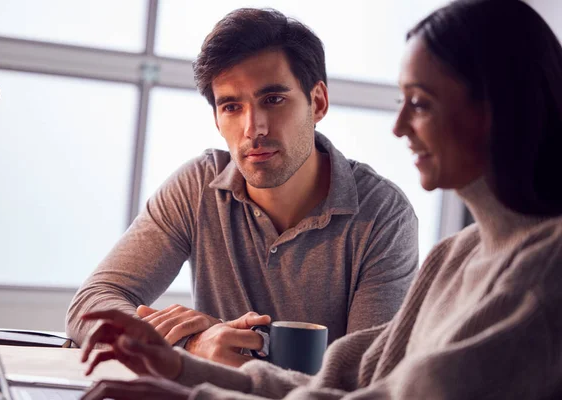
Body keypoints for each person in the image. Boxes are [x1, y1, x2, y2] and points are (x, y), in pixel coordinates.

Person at [76, 0, 562, 398]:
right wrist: (189, 360)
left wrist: (193, 387)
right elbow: (348, 382)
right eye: (232, 106)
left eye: (420, 103)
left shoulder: (543, 271)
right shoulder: (451, 259)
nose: (253, 128)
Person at [65, 7, 418, 367]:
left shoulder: (383, 214)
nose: (254, 128)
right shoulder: (197, 187)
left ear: (318, 102)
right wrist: (193, 341)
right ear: (217, 119)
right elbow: (93, 302)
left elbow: (369, 372)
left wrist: (246, 351)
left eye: (273, 100)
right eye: (232, 106)